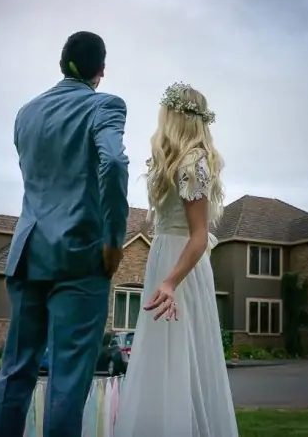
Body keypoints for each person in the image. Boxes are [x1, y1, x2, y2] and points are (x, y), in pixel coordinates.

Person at [0, 31, 130, 437]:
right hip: (79, 257)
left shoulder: (26, 113)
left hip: (28, 253)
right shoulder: (105, 105)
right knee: (68, 381)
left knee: (15, 370)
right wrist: (112, 240)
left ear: (61, 63)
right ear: (101, 71)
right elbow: (115, 164)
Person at [114, 82, 238, 437]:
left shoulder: (193, 162)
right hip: (163, 257)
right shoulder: (174, 161)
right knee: (162, 357)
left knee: (183, 355)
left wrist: (170, 282)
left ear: (175, 116)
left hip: (182, 266)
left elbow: (199, 235)